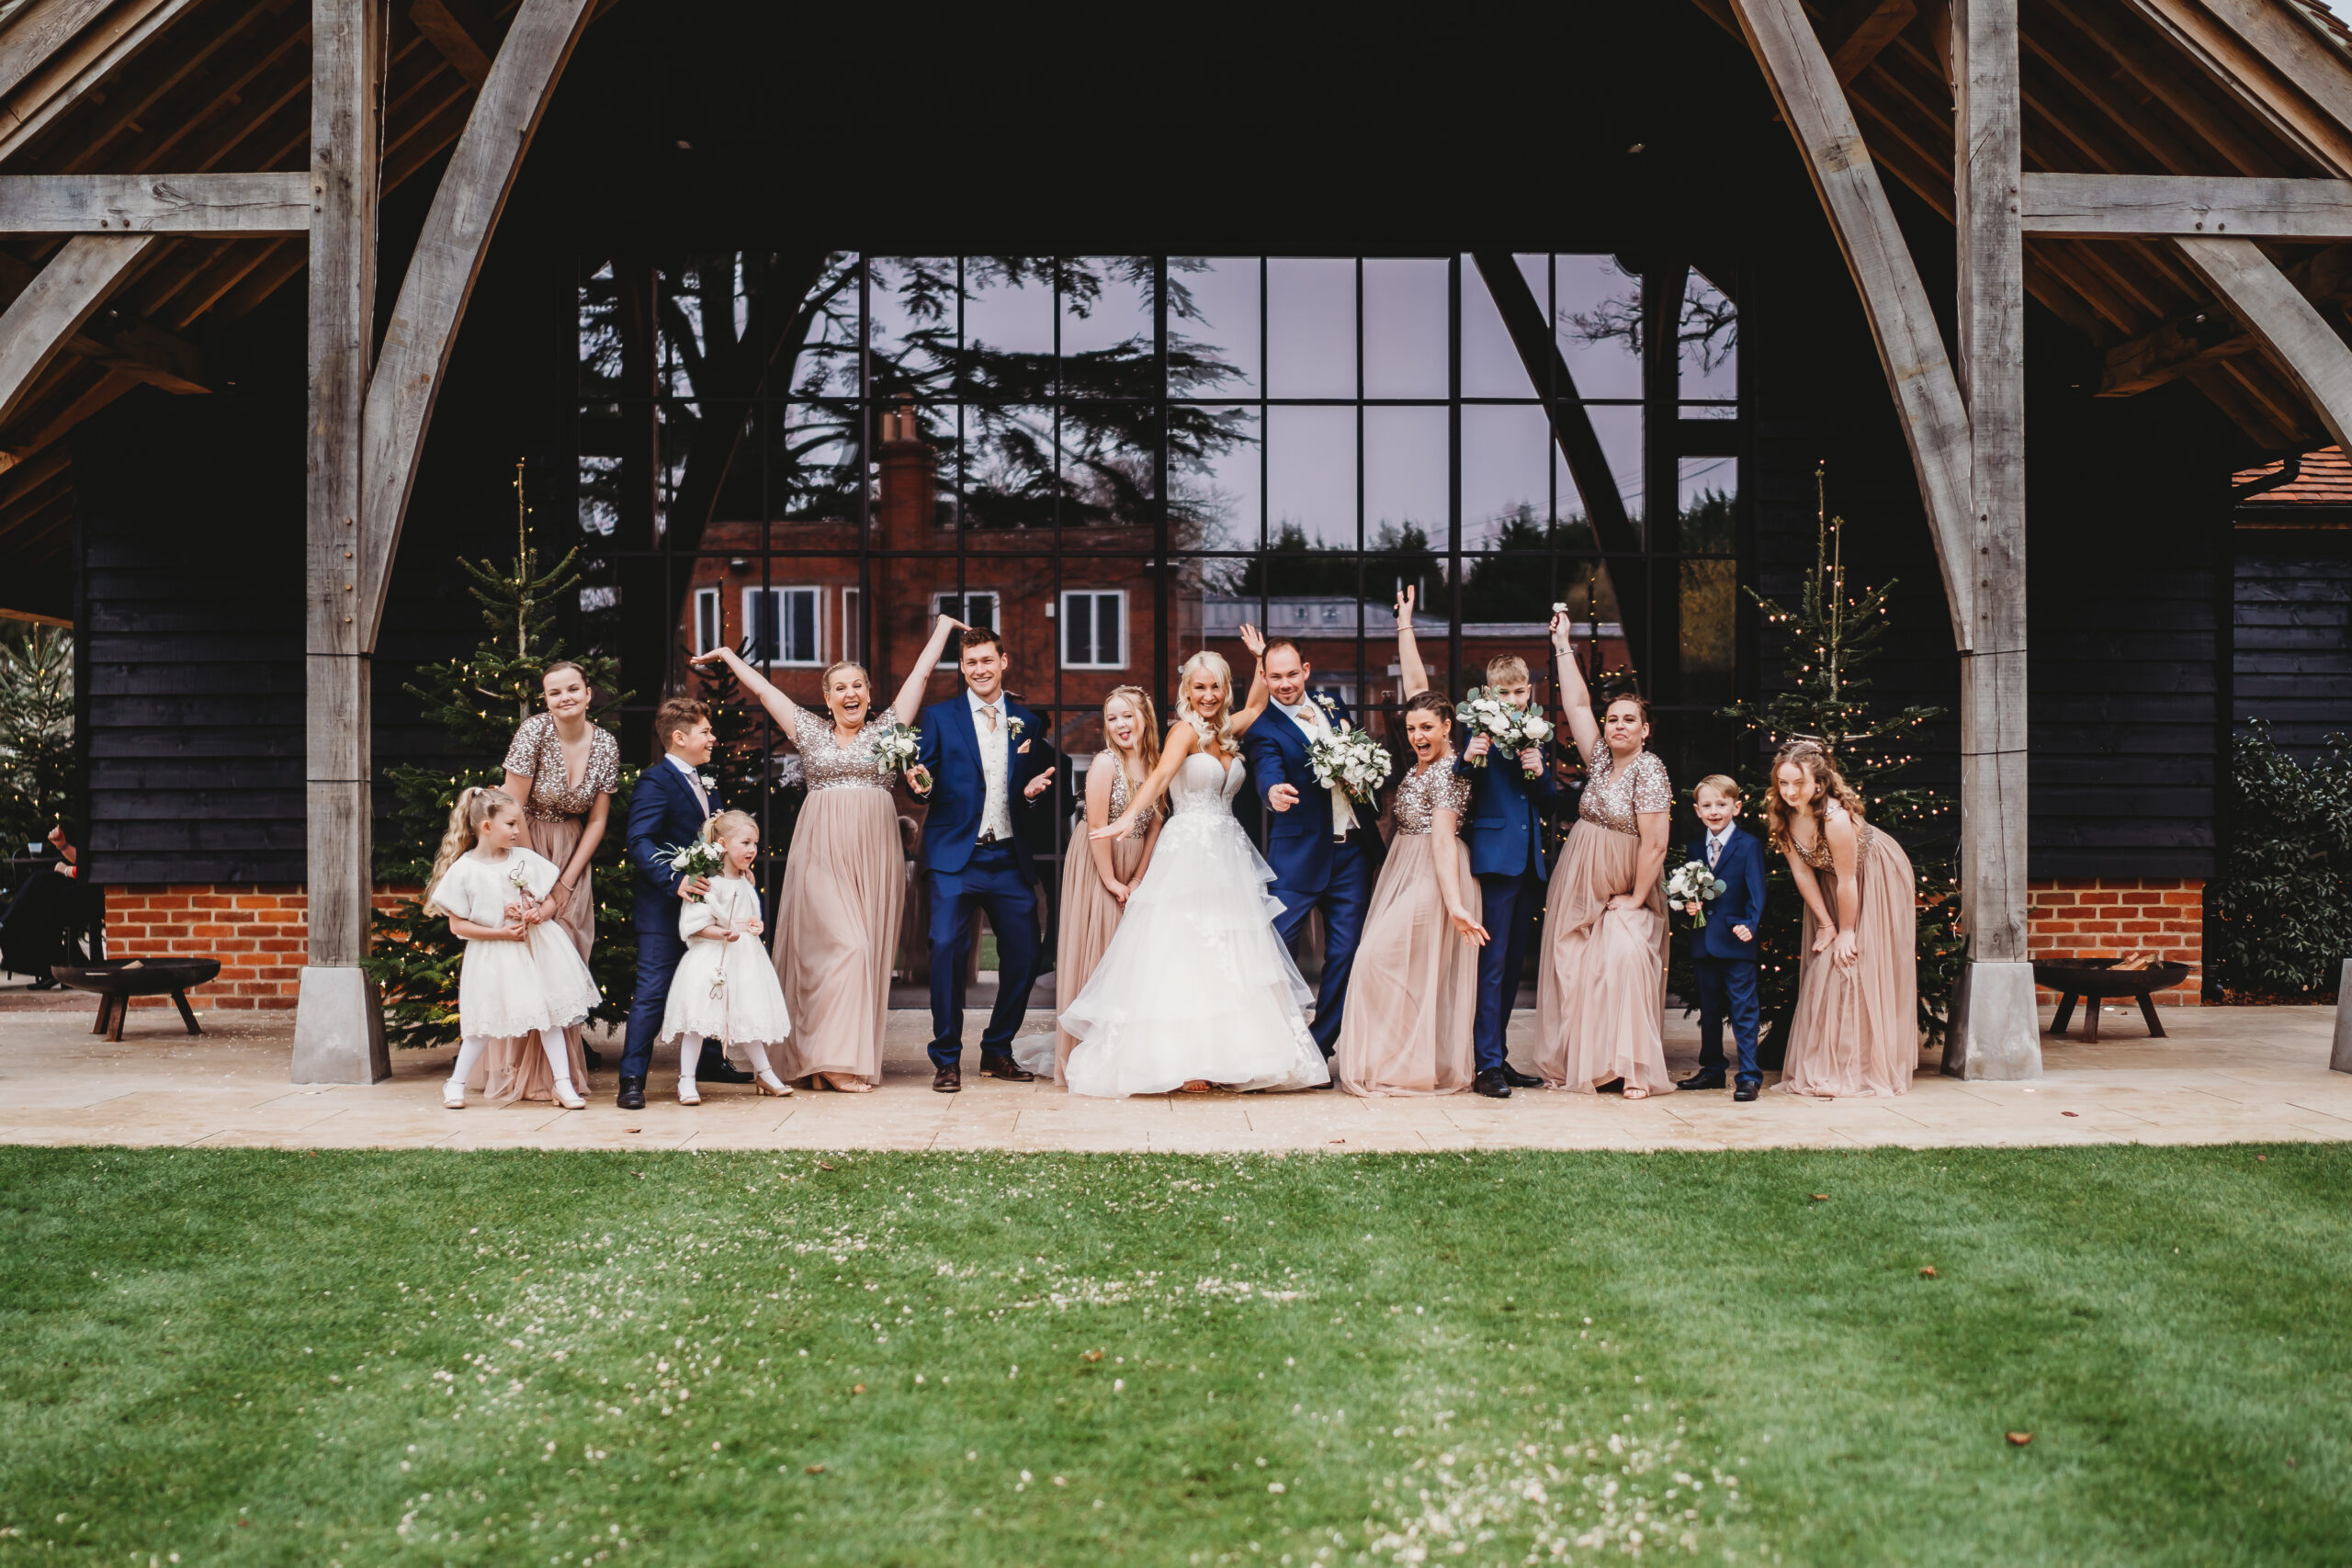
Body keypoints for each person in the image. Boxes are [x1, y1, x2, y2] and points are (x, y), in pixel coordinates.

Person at [692, 615, 959, 1092]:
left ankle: (822, 1060)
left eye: (858, 685)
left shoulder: (887, 730)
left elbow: (920, 675)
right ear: (829, 697)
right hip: (819, 856)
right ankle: (831, 1061)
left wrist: (942, 628)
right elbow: (765, 693)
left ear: (870, 696)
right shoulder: (810, 732)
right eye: (840, 687)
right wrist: (730, 657)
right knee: (841, 950)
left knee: (860, 955)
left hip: (873, 857)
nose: (850, 692)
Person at [1060, 649, 1328, 1098]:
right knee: (1183, 952)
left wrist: (1260, 661)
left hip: (1227, 855)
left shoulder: (1229, 730)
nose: (1207, 694)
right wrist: (1127, 819)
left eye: (1215, 686)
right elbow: (1162, 777)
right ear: (1187, 690)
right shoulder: (1184, 731)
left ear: (1225, 690)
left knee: (1229, 952)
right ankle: (1181, 1061)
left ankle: (1230, 1057)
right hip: (1186, 853)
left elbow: (1259, 706)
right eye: (1199, 686)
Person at [1533, 613, 1676, 1099]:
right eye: (1612, 718)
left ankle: (1631, 1067)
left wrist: (1637, 898)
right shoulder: (1598, 759)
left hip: (1626, 887)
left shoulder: (1650, 770)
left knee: (1624, 958)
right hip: (1580, 876)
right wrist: (1562, 645)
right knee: (1571, 964)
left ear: (1645, 730)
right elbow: (1575, 702)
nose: (1617, 725)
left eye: (1628, 719)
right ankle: (1584, 1064)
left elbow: (1655, 843)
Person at [911, 625, 1059, 1093]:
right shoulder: (938, 718)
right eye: (971, 662)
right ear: (962, 668)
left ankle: (997, 1049)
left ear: (1003, 662)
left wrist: (1031, 795)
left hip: (1007, 857)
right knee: (945, 953)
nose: (980, 669)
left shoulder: (1027, 722)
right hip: (955, 856)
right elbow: (925, 779)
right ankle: (947, 1058)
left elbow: (1026, 788)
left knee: (1025, 954)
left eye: (987, 660)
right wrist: (921, 783)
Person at [1332, 686, 1487, 1097]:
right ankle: (1400, 1060)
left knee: (1373, 958)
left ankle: (1408, 1064)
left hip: (1436, 877)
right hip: (1405, 866)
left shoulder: (1451, 770)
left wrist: (1454, 905)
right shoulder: (1419, 767)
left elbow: (1441, 840)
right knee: (1404, 971)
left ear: (1447, 727)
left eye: (1428, 728)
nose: (1419, 736)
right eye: (1412, 727)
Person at [1440, 592, 1558, 1098]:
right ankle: (1485, 1064)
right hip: (1494, 859)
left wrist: (1540, 771)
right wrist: (1470, 756)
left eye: (1519, 692)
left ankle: (1501, 1056)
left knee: (1513, 968)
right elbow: (1458, 785)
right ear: (1487, 693)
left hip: (1530, 862)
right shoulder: (1474, 733)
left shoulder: (1537, 734)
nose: (1512, 701)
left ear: (1529, 691)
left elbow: (1550, 800)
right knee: (1491, 965)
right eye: (1503, 693)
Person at [1237, 632, 1374, 1060]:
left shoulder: (1333, 705)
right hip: (1297, 856)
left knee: (1346, 954)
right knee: (1275, 949)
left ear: (1306, 671)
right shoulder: (1263, 729)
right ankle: (1273, 1043)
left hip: (1351, 851)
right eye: (1274, 676)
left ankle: (1318, 1046)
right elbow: (1267, 769)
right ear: (1263, 676)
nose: (1284, 684)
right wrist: (1272, 791)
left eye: (1291, 674)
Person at [1020, 685, 1164, 1084]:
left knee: (1130, 962)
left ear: (1144, 718)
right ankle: (1088, 1055)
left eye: (1127, 715)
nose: (1120, 724)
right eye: (1112, 717)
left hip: (1135, 864)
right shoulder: (1105, 763)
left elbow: (1155, 824)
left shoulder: (1156, 764)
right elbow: (1096, 829)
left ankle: (1124, 1052)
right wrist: (1112, 882)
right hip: (1099, 864)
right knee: (1100, 953)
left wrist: (1137, 878)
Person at [425, 786, 599, 1111]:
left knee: (549, 1016)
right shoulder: (465, 870)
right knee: (485, 1022)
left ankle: (562, 1084)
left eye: (519, 824)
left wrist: (537, 912)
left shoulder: (525, 860)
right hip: (495, 954)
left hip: (538, 949)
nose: (519, 831)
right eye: (512, 824)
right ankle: (456, 1083)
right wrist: (501, 932)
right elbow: (458, 925)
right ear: (486, 827)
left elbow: (549, 900)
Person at [1768, 739, 1919, 1098]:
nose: (1790, 792)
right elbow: (1802, 873)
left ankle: (1863, 1070)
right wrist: (1826, 924)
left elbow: (1849, 878)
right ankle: (1830, 1065)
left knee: (1853, 962)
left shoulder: (1835, 818)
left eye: (1798, 783)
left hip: (1874, 876)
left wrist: (1847, 931)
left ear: (1818, 784)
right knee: (1826, 961)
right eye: (1783, 783)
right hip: (1832, 885)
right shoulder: (1783, 815)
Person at [495, 660, 618, 1096]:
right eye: (554, 693)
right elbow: (510, 807)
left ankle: (559, 1073)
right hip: (524, 844)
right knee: (529, 955)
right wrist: (534, 881)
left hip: (573, 851)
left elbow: (599, 821)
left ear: (588, 694)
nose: (564, 698)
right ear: (546, 700)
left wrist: (565, 883)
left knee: (568, 955)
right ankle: (525, 1075)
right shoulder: (533, 732)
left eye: (572, 689)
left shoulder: (605, 744)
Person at [619, 697, 727, 1111]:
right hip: (664, 908)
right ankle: (632, 1078)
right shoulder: (655, 781)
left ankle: (712, 1063)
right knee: (652, 991)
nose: (712, 738)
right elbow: (640, 841)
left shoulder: (706, 779)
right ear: (679, 738)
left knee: (711, 982)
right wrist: (674, 878)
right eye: (705, 732)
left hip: (704, 907)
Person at [659, 810, 794, 1100]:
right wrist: (720, 933)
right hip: (713, 958)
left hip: (745, 958)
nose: (752, 850)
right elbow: (692, 924)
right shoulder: (704, 880)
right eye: (745, 843)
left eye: (755, 844)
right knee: (698, 1020)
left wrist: (754, 925)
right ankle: (687, 1079)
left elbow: (747, 914)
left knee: (749, 1015)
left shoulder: (746, 879)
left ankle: (765, 1073)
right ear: (721, 844)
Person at [1676, 774, 1768, 1100]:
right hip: (1705, 940)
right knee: (1710, 1009)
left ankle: (1749, 1075)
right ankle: (1713, 1069)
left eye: (1722, 804)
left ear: (1736, 807)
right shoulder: (1695, 846)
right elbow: (1692, 888)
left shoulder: (1749, 845)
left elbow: (1757, 893)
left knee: (1743, 1009)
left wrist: (1750, 924)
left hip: (1737, 940)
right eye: (1707, 805)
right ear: (1698, 810)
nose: (1714, 811)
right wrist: (1689, 905)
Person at [1, 825, 95, 987]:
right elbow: (85, 862)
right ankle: (47, 969)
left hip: (89, 892)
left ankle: (5, 927)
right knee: (21, 905)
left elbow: (95, 869)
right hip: (74, 883)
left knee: (41, 881)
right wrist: (62, 845)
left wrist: (67, 870)